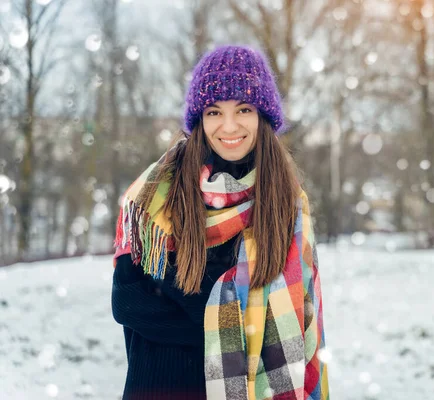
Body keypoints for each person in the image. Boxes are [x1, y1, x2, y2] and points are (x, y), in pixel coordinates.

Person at [111, 44, 329, 400]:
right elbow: (129, 302)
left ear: (263, 117)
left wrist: (203, 311)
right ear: (199, 120)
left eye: (243, 109)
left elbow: (302, 314)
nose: (229, 125)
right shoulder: (155, 195)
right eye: (214, 111)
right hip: (162, 385)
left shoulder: (286, 205)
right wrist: (234, 329)